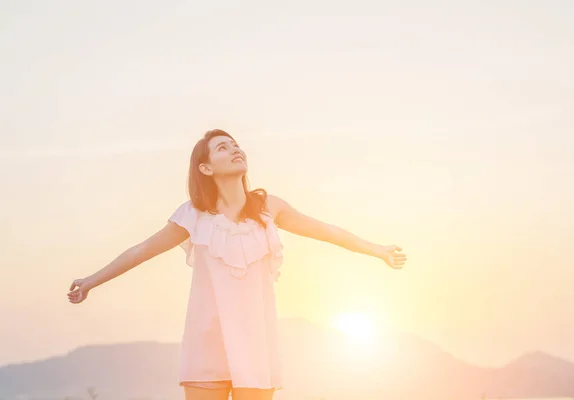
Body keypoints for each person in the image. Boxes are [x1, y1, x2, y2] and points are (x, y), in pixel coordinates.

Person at [67, 129, 407, 400]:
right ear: (206, 167)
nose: (234, 149)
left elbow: (327, 231)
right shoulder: (193, 216)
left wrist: (378, 250)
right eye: (222, 148)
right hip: (206, 339)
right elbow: (141, 250)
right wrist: (91, 280)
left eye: (235, 145)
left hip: (256, 342)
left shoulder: (268, 208)